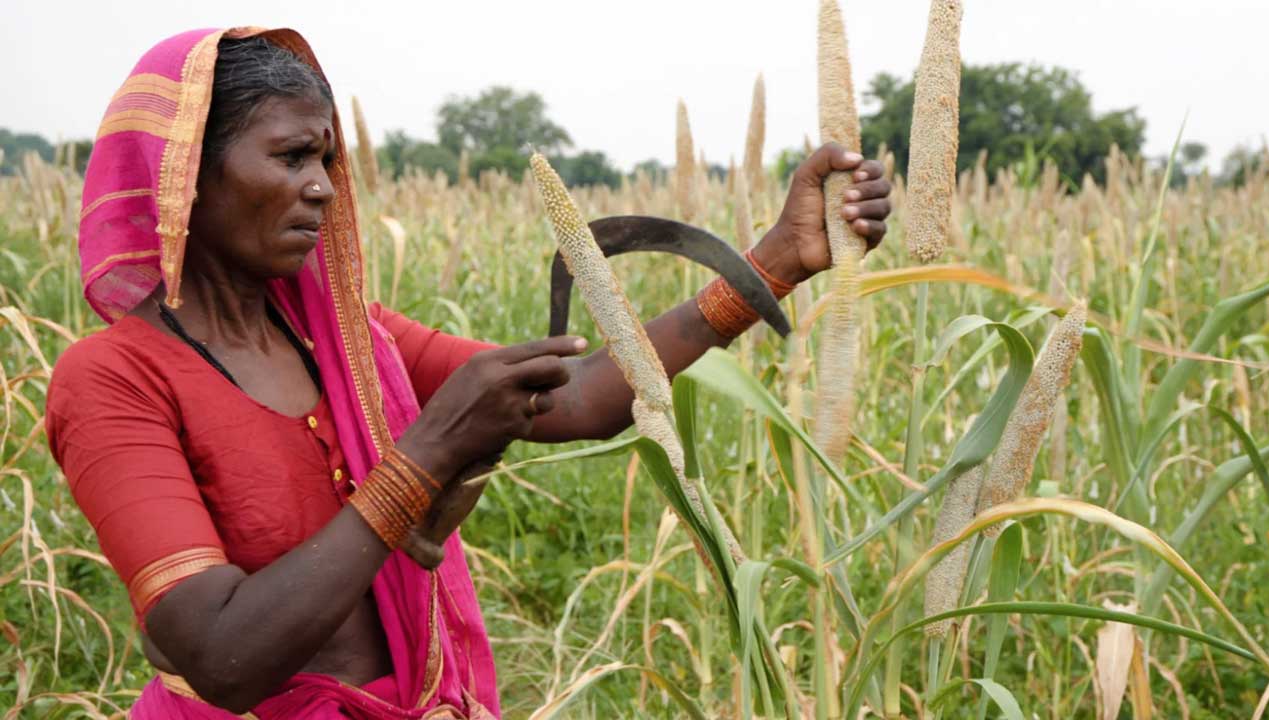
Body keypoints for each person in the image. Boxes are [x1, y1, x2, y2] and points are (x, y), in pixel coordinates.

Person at [45, 27, 892, 719]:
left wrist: (777, 261)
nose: (323, 191)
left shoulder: (345, 337)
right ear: (185, 174)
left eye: (328, 164)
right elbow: (225, 658)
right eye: (292, 158)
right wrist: (429, 453)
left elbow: (589, 398)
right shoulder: (115, 381)